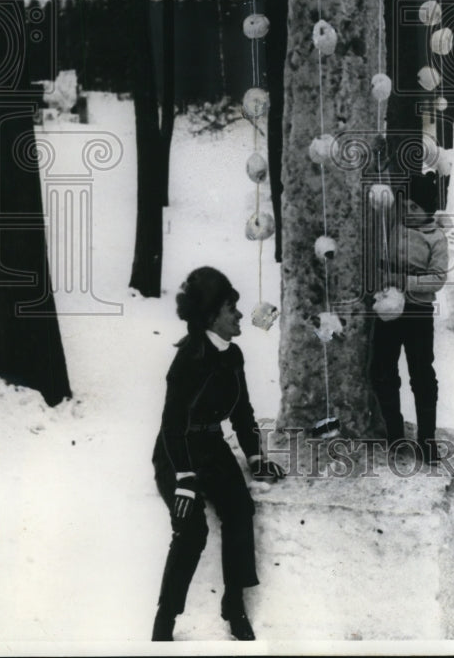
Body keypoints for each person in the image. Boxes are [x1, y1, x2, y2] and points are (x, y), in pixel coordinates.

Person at [151, 267, 285, 642]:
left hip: (212, 448)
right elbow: (172, 424)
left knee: (240, 510)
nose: (239, 315)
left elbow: (242, 411)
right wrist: (184, 478)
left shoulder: (233, 354)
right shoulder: (189, 361)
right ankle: (165, 620)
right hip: (176, 455)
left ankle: (234, 604)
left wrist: (256, 456)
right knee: (191, 530)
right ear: (212, 316)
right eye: (232, 308)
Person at [371, 171, 449, 465]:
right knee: (382, 370)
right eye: (406, 205)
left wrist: (405, 281)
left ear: (428, 211)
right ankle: (394, 432)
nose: (407, 211)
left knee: (422, 375)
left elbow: (438, 279)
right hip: (389, 309)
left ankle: (427, 440)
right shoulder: (394, 224)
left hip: (418, 313)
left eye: (414, 208)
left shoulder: (436, 238)